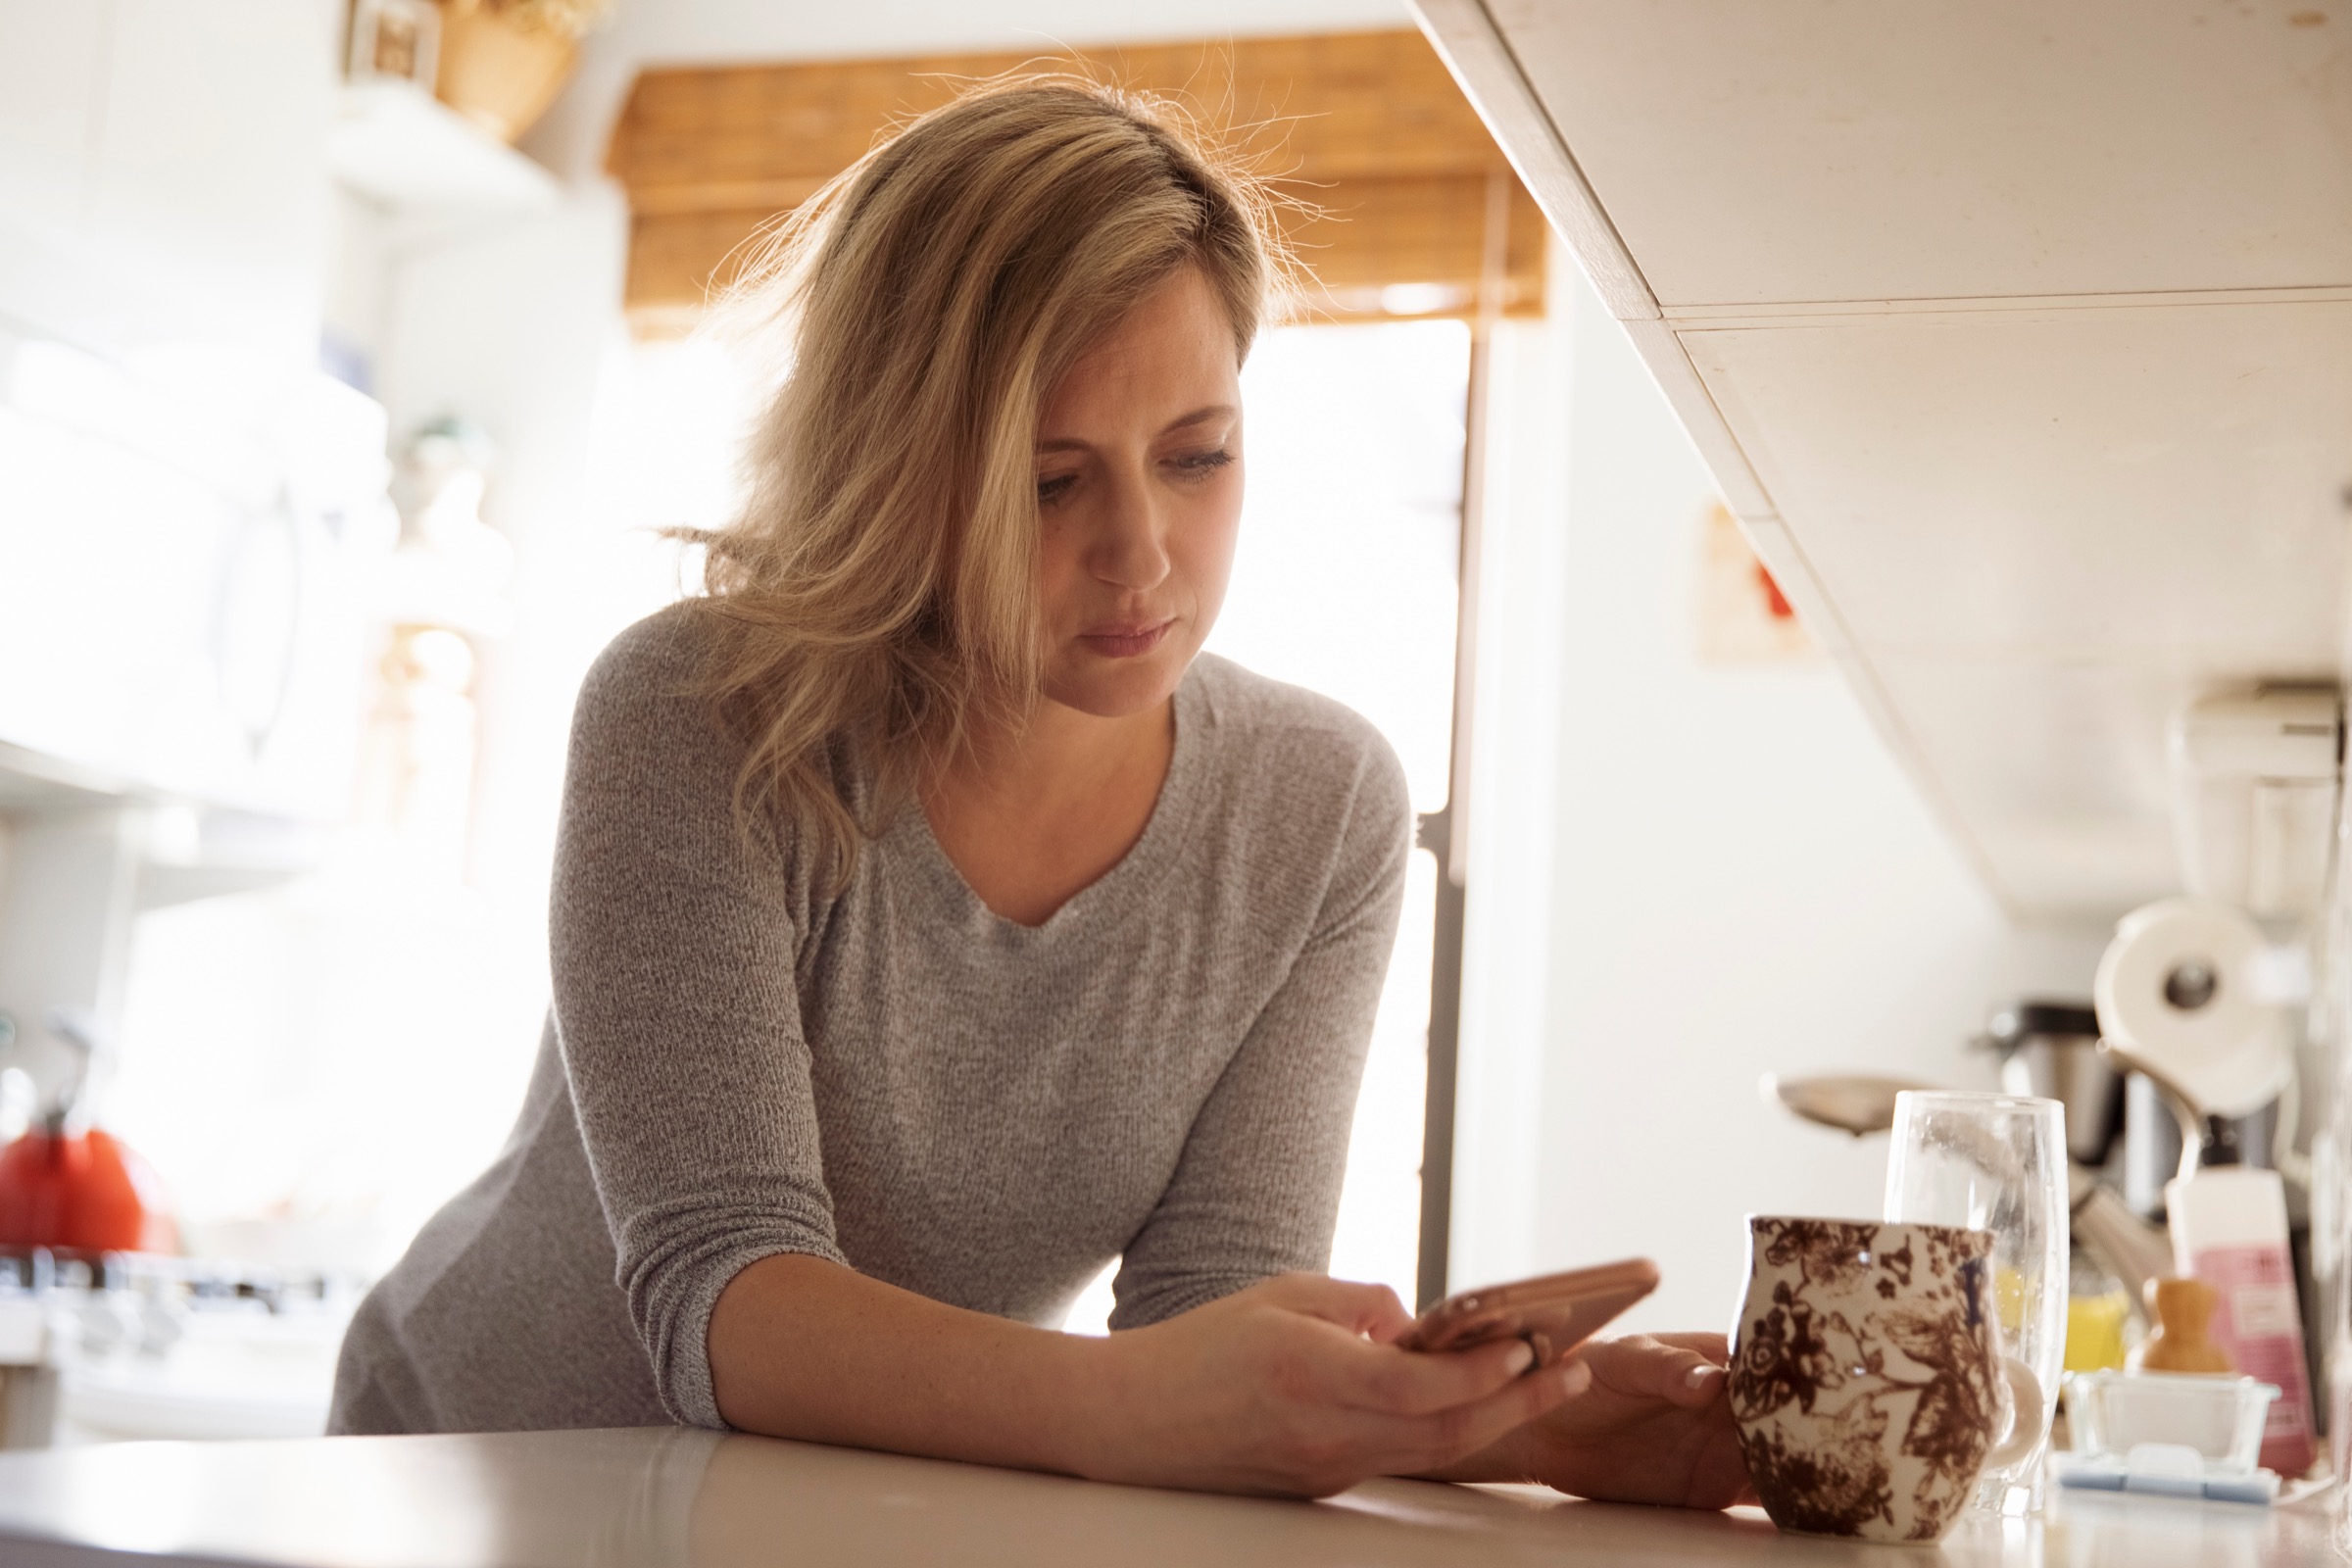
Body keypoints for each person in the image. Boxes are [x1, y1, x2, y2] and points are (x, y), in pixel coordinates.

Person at [330, 76, 1751, 1506]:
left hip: (823, 1514)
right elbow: (727, 1305)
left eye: (1198, 455)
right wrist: (1163, 1404)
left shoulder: (1322, 810)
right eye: (1045, 480)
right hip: (473, 1473)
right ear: (897, 467)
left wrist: (1521, 1425)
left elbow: (1210, 1326)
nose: (1141, 554)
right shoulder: (703, 712)